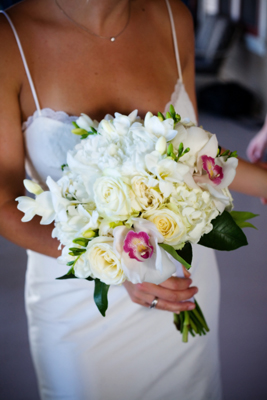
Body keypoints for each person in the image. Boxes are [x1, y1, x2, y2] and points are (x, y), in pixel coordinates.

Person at [0, 1, 267, 399]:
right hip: (82, 305)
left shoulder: (174, 18)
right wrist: (121, 265)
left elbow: (195, 155)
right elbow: (4, 207)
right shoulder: (9, 41)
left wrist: (263, 182)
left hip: (185, 284)